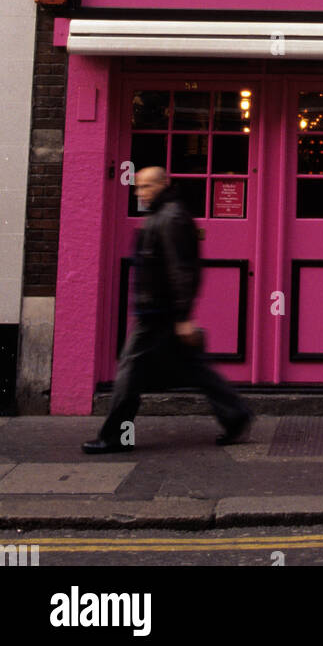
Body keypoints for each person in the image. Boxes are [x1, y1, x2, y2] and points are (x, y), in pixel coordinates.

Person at [83, 167, 253, 453]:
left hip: (159, 314)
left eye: (147, 187)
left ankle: (115, 436)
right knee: (194, 369)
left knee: (129, 369)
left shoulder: (171, 217)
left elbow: (183, 271)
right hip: (159, 312)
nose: (141, 193)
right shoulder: (161, 215)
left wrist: (183, 317)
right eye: (138, 187)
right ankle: (236, 416)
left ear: (165, 184)